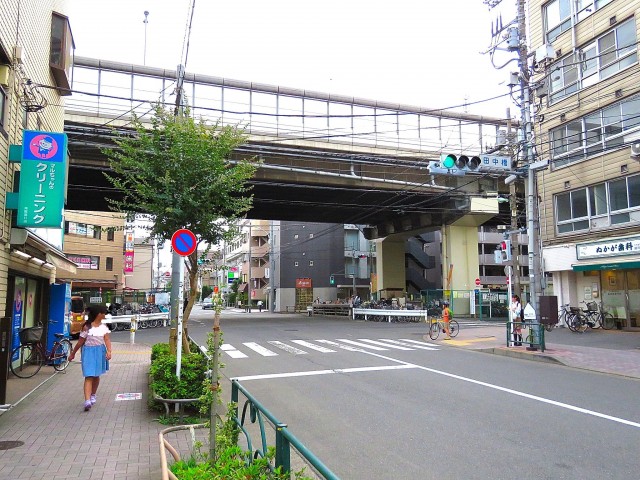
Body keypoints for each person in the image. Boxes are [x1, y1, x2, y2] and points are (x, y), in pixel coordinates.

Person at [68, 305, 112, 411]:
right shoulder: (87, 327)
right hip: (88, 352)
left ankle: (93, 395)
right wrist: (73, 353)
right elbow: (80, 342)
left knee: (96, 376)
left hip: (100, 352)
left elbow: (107, 339)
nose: (104, 314)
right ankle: (87, 401)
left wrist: (109, 351)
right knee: (89, 376)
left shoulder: (103, 326)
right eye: (103, 313)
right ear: (98, 314)